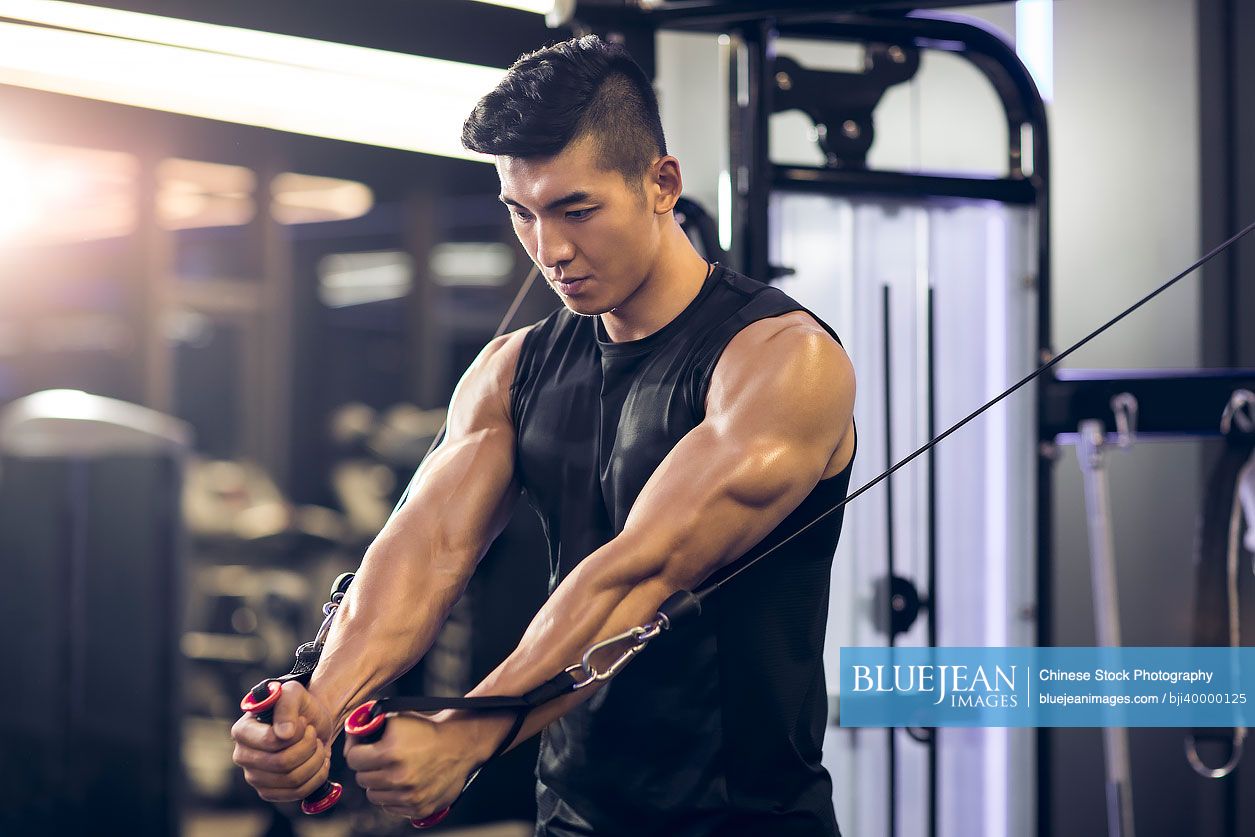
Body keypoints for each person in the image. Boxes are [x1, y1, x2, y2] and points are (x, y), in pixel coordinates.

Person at [231, 34, 857, 836]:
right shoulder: (511, 369)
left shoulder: (780, 361)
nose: (549, 249)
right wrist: (315, 707)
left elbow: (640, 574)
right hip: (570, 816)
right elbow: (425, 550)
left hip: (743, 820)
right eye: (521, 213)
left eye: (575, 209)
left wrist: (464, 735)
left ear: (661, 183)